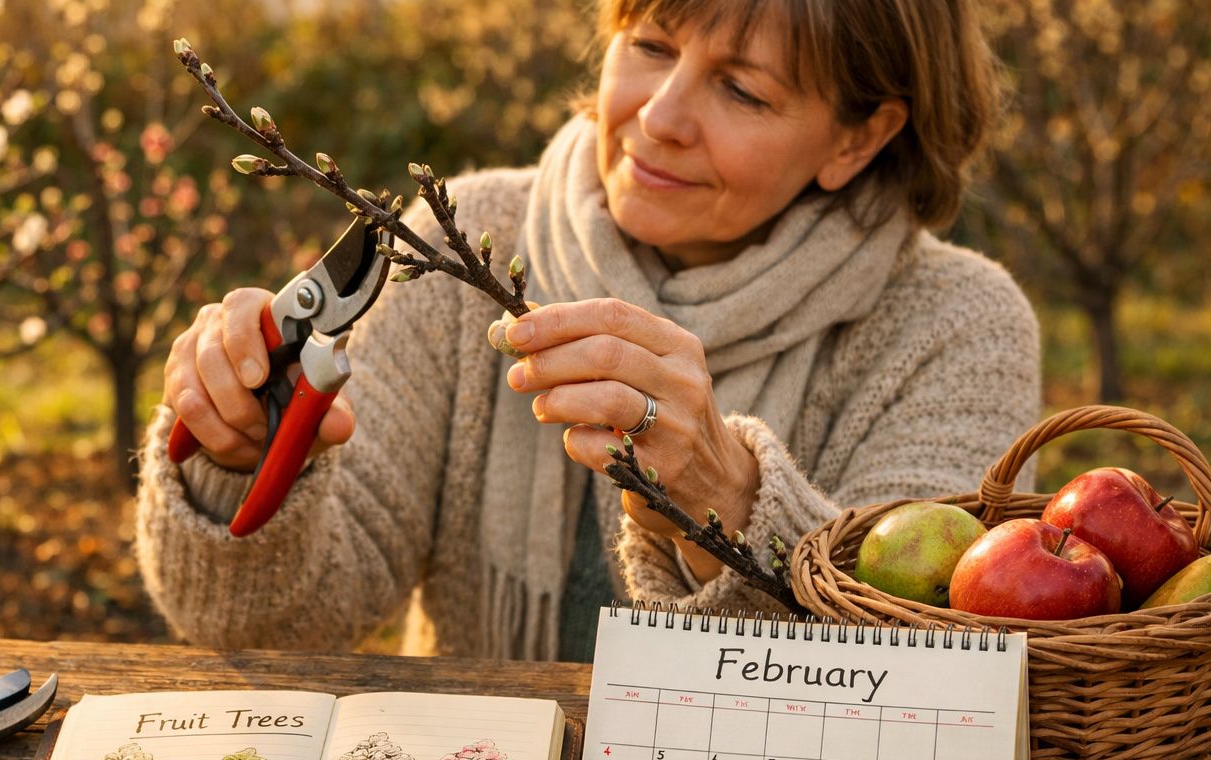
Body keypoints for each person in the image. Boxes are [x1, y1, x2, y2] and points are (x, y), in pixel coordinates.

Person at [135, 0, 1040, 662]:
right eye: (649, 45)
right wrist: (239, 456)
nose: (659, 117)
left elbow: (930, 682)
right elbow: (263, 628)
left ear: (858, 139)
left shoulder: (955, 329)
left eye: (743, 91)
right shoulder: (460, 252)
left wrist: (730, 506)